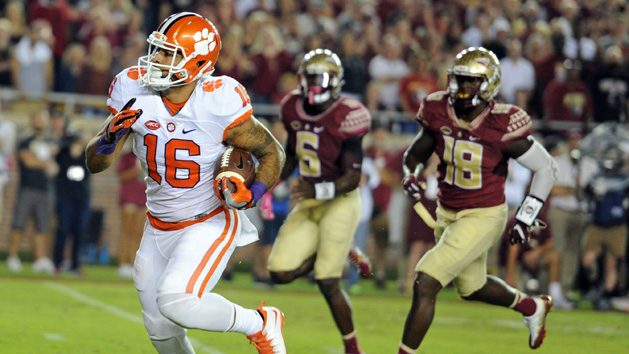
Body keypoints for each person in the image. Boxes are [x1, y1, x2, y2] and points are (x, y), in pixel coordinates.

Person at [84, 12, 286, 354]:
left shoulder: (217, 101)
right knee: (163, 335)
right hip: (158, 225)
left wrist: (252, 194)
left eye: (168, 53)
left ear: (197, 61)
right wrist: (107, 140)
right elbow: (95, 163)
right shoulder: (133, 90)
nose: (156, 59)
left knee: (177, 301)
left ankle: (261, 323)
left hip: (208, 219)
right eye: (157, 50)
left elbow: (272, 153)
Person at [398, 47, 558, 353]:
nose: (462, 88)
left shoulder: (502, 123)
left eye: (472, 82)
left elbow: (547, 167)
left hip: (484, 214)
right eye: (459, 80)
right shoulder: (437, 109)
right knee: (472, 288)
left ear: (490, 85)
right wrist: (410, 175)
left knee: (426, 280)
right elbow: (414, 156)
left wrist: (526, 215)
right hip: (448, 211)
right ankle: (531, 306)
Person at [267, 48, 371, 354]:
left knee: (327, 281)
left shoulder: (349, 114)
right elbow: (293, 154)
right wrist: (266, 185)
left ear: (336, 81)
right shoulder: (291, 107)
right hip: (309, 198)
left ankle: (353, 348)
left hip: (340, 198)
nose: (314, 84)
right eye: (310, 77)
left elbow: (353, 177)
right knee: (279, 273)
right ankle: (340, 249)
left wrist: (318, 191)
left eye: (321, 78)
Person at [7, 109, 57, 273]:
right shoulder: (26, 140)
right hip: (27, 188)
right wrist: (46, 163)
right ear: (32, 121)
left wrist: (46, 161)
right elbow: (27, 160)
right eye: (38, 118)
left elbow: (55, 163)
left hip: (44, 188)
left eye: (43, 119)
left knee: (42, 226)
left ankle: (40, 259)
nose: (40, 122)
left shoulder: (50, 141)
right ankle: (13, 256)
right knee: (19, 223)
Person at [581, 145, 629, 311]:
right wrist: (593, 192)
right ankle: (595, 288)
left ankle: (606, 296)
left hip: (617, 226)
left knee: (612, 263)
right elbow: (585, 193)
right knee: (588, 259)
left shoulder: (624, 178)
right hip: (597, 224)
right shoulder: (596, 176)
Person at [52, 129, 91, 275]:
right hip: (65, 195)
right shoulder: (63, 152)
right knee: (62, 229)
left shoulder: (88, 154)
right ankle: (57, 263)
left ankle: (75, 265)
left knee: (79, 231)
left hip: (81, 196)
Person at [115, 144, 146, 278]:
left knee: (138, 233)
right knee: (126, 232)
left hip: (143, 197)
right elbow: (121, 175)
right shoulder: (127, 156)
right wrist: (136, 170)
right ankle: (122, 264)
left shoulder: (150, 156)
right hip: (129, 197)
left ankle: (134, 264)